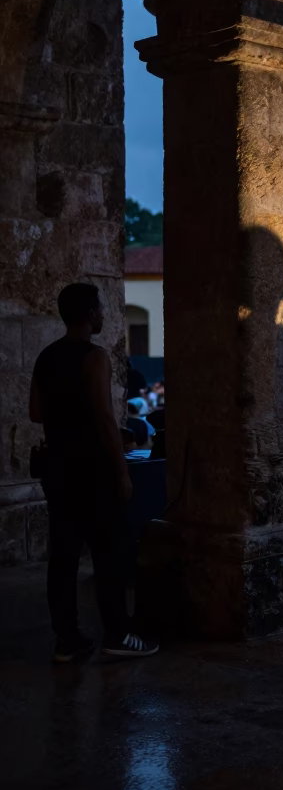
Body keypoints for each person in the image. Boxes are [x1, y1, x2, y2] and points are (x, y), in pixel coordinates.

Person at [29, 283, 158, 662]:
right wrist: (121, 470)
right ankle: (117, 633)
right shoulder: (95, 357)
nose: (103, 314)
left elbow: (36, 412)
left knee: (64, 555)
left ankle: (66, 640)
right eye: (100, 308)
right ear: (89, 315)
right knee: (109, 552)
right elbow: (104, 415)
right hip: (92, 468)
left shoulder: (45, 357)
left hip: (58, 468)